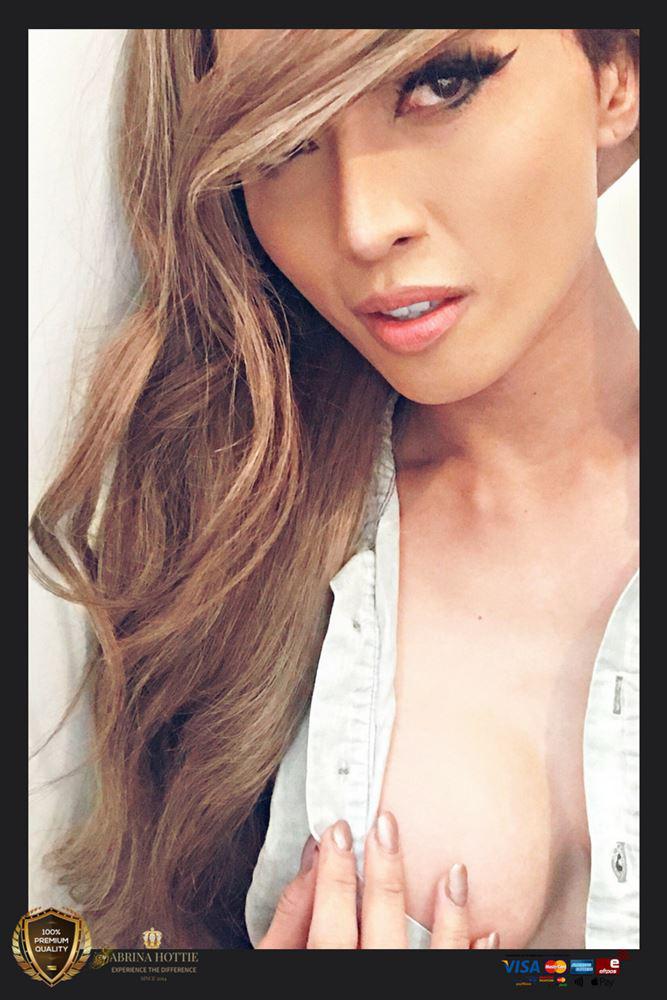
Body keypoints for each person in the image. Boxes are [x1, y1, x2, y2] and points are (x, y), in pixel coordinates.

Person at [29, 28, 639, 949]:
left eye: (440, 84)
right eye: (281, 139)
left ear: (614, 74)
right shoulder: (222, 559)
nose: (362, 223)